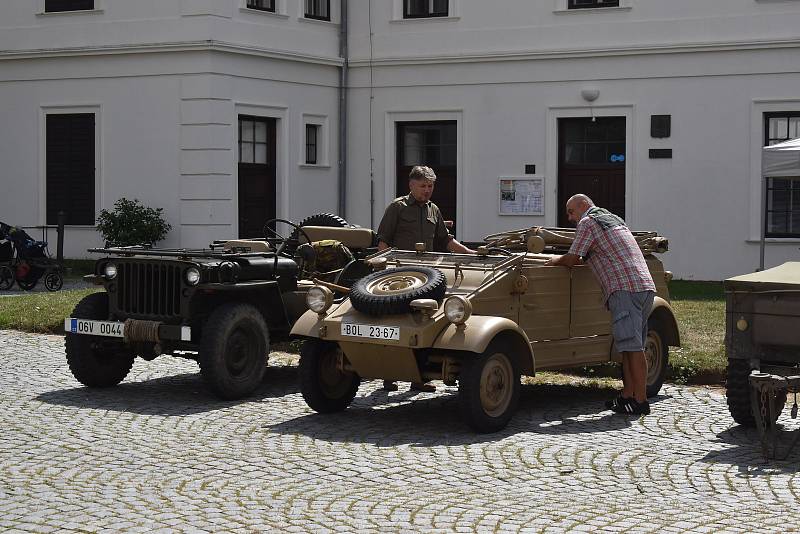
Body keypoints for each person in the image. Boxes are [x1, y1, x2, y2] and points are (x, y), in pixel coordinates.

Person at [545, 194, 656, 415]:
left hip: (624, 289)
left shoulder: (588, 222)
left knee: (633, 348)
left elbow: (573, 258)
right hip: (644, 286)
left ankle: (641, 401)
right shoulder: (614, 219)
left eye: (571, 211)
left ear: (583, 205)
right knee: (629, 346)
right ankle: (627, 395)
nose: (569, 217)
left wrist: (554, 260)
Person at [376, 165, 474, 392]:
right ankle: (388, 375)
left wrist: (471, 254)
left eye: (430, 186)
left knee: (422, 326)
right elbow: (383, 241)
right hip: (399, 277)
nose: (427, 191)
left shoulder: (433, 210)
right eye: (423, 186)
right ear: (411, 185)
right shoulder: (397, 207)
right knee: (394, 325)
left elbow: (446, 241)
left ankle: (418, 379)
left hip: (426, 279)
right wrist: (383, 272)